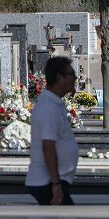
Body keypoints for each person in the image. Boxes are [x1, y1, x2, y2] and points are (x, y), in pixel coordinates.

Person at [25, 57, 79, 205]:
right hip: (47, 182)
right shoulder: (48, 107)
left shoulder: (54, 103)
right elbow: (48, 146)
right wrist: (56, 184)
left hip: (54, 180)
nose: (75, 77)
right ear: (59, 77)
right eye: (71, 73)